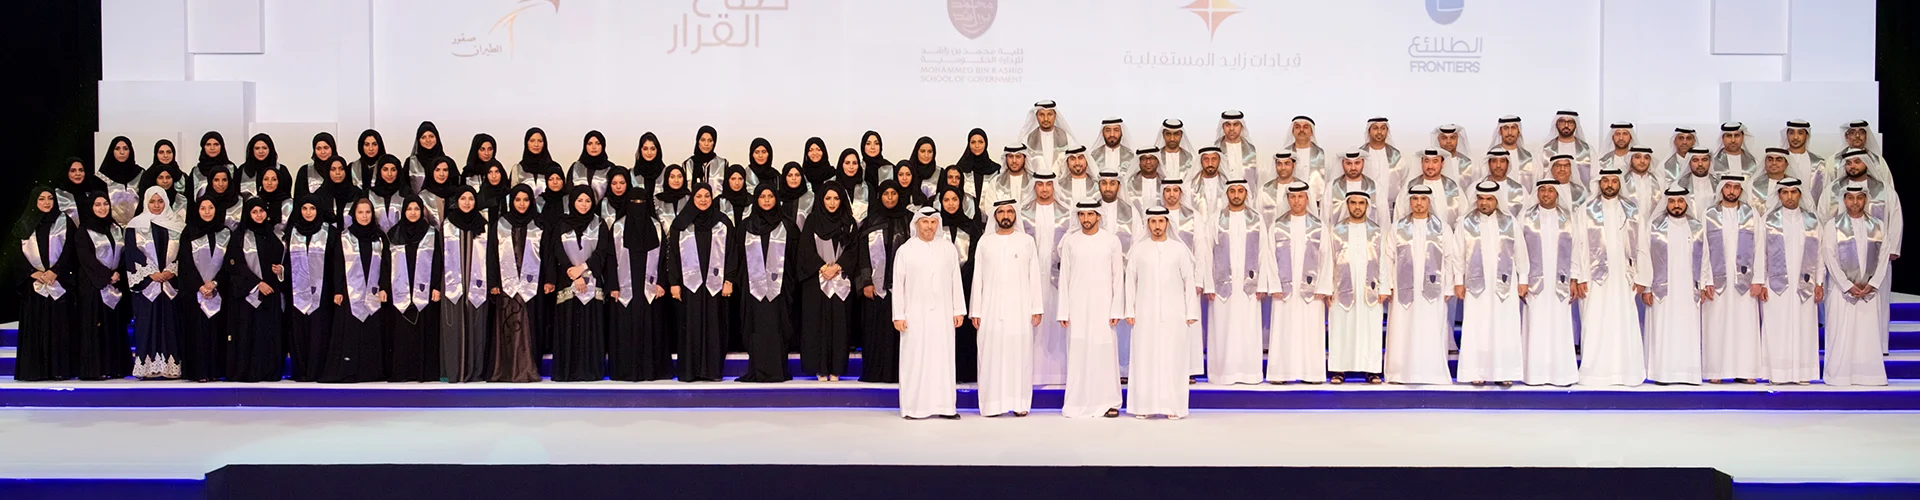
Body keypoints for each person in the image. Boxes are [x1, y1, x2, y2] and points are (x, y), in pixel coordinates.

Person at [1820, 149, 1903, 354]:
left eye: (1857, 162)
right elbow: (1822, 217)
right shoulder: (1832, 189)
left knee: (1876, 304)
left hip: (1875, 259)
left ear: (1866, 163)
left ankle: (1877, 348)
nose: (1852, 166)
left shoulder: (1884, 189)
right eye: (1849, 163)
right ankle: (1842, 351)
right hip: (1840, 260)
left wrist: (1893, 248)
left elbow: (1895, 217)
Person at [892, 207, 968, 419]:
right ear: (917, 224)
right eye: (925, 222)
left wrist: (958, 310)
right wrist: (898, 315)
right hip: (914, 316)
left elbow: (955, 281)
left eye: (933, 222)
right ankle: (914, 408)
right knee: (915, 359)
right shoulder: (905, 250)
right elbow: (898, 285)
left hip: (943, 315)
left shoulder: (948, 249)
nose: (929, 226)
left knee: (943, 359)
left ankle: (945, 407)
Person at [970, 199, 1043, 416]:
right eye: (1001, 212)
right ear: (995, 216)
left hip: (1020, 309)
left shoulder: (1026, 241)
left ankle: (1020, 404)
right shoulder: (985, 242)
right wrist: (976, 310)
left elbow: (1034, 276)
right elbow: (978, 278)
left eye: (1010, 211)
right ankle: (992, 405)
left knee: (1019, 355)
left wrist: (1036, 308)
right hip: (990, 309)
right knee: (991, 356)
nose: (1005, 215)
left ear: (1015, 215)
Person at [1126, 206, 1201, 419]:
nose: (1157, 226)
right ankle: (1144, 407)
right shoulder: (1138, 250)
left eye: (1161, 221)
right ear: (1148, 224)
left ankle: (1173, 406)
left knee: (1173, 359)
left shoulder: (1179, 250)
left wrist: (1191, 312)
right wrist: (1129, 310)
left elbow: (1189, 281)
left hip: (1174, 314)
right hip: (1144, 314)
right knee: (1144, 359)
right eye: (1153, 221)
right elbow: (1130, 282)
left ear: (1167, 223)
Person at [1576, 168, 1647, 386]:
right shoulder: (1585, 210)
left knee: (1624, 322)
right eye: (1605, 180)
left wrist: (1642, 277)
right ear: (1599, 183)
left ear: (1619, 183)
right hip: (1593, 279)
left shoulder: (1631, 210)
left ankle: (1625, 372)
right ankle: (1595, 373)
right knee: (1595, 322)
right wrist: (1579, 276)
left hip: (1625, 278)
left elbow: (1642, 244)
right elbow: (1578, 245)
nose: (1609, 185)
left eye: (1613, 181)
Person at [1056, 201, 1127, 418]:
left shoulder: (1111, 241)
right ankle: (1077, 401)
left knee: (1105, 353)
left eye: (1090, 214)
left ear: (1098, 216)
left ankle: (1109, 402)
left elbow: (1118, 277)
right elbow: (1064, 277)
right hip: (1077, 308)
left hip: (1104, 308)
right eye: (1082, 215)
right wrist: (1063, 310)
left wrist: (1116, 309)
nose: (1086, 219)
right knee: (1079, 353)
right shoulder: (1070, 242)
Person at [1454, 182, 1525, 387]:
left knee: (1505, 326)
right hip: (1475, 286)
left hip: (1505, 285)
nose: (1484, 203)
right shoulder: (1465, 222)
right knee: (1477, 326)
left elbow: (1520, 252)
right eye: (1481, 199)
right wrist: (1458, 281)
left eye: (1489, 199)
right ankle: (1476, 371)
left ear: (1497, 200)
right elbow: (1458, 255)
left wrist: (1524, 279)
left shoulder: (1510, 222)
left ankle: (1504, 371)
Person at [1383, 185, 1455, 385]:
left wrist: (1449, 286)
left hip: (1434, 290)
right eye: (1415, 199)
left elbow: (1450, 258)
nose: (1419, 203)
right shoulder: (1397, 227)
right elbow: (1388, 257)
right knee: (1402, 329)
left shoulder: (1443, 228)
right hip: (1403, 290)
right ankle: (1400, 373)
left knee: (1431, 328)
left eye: (1423, 199)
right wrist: (1388, 284)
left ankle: (1432, 373)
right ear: (1410, 202)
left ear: (1429, 202)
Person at [1821, 185, 1890, 386]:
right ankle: (1839, 376)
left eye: (1859, 197)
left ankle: (1869, 375)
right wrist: (1846, 285)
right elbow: (1829, 256)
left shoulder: (1878, 225)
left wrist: (1873, 284)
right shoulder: (1832, 225)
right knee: (1841, 333)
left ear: (1865, 199)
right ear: (1844, 200)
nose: (1855, 202)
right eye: (1850, 198)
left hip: (1869, 291)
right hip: (1841, 291)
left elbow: (1884, 257)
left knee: (1867, 335)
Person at [605, 172, 671, 382]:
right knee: (626, 328)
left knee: (651, 328)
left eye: (642, 203)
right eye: (633, 203)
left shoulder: (656, 227)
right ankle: (626, 371)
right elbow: (610, 258)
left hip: (650, 289)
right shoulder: (618, 227)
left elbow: (664, 258)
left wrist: (662, 282)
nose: (638, 207)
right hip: (625, 288)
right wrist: (613, 286)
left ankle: (651, 370)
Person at [667, 184, 735, 382]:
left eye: (707, 196)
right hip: (689, 286)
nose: (703, 200)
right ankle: (690, 371)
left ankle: (712, 371)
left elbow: (732, 252)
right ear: (692, 198)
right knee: (691, 325)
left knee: (714, 326)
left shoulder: (723, 222)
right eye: (699, 196)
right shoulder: (680, 224)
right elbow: (673, 256)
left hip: (716, 286)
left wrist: (729, 279)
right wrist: (674, 282)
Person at [1759, 178, 1822, 385]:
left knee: (1804, 327)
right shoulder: (1768, 220)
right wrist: (1761, 282)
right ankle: (1777, 373)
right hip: (1776, 284)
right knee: (1777, 326)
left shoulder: (1812, 220)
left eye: (1793, 192)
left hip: (1805, 284)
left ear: (1800, 194)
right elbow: (1761, 253)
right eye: (1785, 192)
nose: (1789, 196)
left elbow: (1820, 254)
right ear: (1779, 195)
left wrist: (1820, 283)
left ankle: (1803, 373)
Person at [1701, 174, 1764, 384]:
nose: (1732, 191)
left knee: (1745, 325)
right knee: (1716, 324)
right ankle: (1716, 371)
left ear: (1741, 190)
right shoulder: (1709, 214)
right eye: (1728, 187)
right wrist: (1706, 279)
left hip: (1744, 281)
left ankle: (1746, 370)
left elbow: (1760, 247)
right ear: (1721, 189)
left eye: (1736, 187)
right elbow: (1702, 250)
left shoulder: (1751, 214)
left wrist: (1758, 279)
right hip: (1716, 281)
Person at [1643, 186, 1708, 385]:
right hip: (1662, 290)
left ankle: (1688, 374)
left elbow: (1705, 257)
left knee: (1687, 330)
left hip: (1689, 289)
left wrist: (1704, 284)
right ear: (1666, 203)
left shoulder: (1696, 226)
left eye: (1680, 201)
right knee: (1663, 330)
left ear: (1686, 203)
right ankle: (1663, 374)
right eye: (1672, 201)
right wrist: (1647, 287)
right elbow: (1645, 257)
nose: (1676, 205)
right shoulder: (1654, 226)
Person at [1264, 181, 1328, 384]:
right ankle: (1281, 374)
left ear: (1307, 198)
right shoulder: (1277, 225)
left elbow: (1326, 258)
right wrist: (1274, 285)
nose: (1296, 201)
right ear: (1288, 199)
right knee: (1284, 330)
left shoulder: (1319, 226)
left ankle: (1312, 374)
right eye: (1292, 197)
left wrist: (1323, 286)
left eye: (1300, 197)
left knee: (1310, 331)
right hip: (1284, 291)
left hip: (1312, 291)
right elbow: (1269, 257)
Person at [1519, 180, 1580, 386]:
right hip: (1534, 283)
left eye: (1551, 190)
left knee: (1559, 325)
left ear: (1557, 193)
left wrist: (1574, 278)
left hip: (1560, 282)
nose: (1546, 194)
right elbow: (1519, 251)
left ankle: (1561, 375)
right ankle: (1534, 375)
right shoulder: (1525, 217)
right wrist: (1522, 280)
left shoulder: (1568, 218)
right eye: (1543, 190)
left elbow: (1576, 250)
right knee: (1535, 325)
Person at [1204, 179, 1264, 385]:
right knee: (1223, 330)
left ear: (1246, 193)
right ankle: (1223, 373)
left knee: (1248, 329)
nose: (1236, 195)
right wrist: (1208, 284)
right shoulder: (1215, 219)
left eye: (1240, 191)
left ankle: (1249, 373)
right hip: (1222, 287)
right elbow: (1207, 253)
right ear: (1227, 193)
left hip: (1249, 287)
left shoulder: (1257, 219)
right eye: (1232, 191)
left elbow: (1264, 252)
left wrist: (1263, 284)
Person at [798, 181, 859, 381]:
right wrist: (822, 267)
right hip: (816, 282)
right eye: (828, 198)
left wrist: (838, 266)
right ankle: (820, 368)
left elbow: (854, 250)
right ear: (821, 200)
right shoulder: (813, 221)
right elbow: (805, 249)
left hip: (841, 281)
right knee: (817, 325)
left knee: (839, 325)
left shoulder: (849, 222)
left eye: (836, 198)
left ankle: (836, 368)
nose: (832, 203)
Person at [13, 187, 75, 381]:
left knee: (59, 328)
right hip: (34, 286)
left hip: (58, 282)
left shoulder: (64, 221)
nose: (47, 202)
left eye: (50, 198)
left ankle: (59, 370)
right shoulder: (24, 223)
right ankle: (35, 371)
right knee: (36, 328)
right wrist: (33, 273)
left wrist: (56, 271)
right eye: (42, 199)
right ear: (34, 201)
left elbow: (70, 248)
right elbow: (15, 254)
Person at [737, 185, 798, 383]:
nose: (766, 200)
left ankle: (778, 370)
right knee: (755, 326)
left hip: (780, 288)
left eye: (770, 196)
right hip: (752, 288)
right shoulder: (745, 226)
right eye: (762, 196)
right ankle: (757, 370)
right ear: (756, 199)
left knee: (778, 326)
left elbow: (794, 256)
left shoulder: (788, 226)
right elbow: (738, 257)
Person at [855, 183, 914, 383]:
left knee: (900, 331)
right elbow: (862, 254)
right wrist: (866, 281)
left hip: (903, 288)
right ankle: (876, 372)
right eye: (886, 194)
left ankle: (899, 374)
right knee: (876, 331)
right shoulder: (871, 220)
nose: (890, 197)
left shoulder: (909, 219)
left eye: (894, 193)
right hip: (875, 288)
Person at [549, 186, 609, 382]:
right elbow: (557, 251)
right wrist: (573, 274)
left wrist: (583, 269)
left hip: (592, 283)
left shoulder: (599, 224)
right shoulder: (561, 224)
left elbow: (602, 251)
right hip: (568, 283)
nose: (584, 205)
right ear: (572, 202)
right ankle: (568, 371)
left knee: (590, 327)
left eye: (588, 201)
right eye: (580, 200)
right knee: (569, 326)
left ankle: (590, 371)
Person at [126, 186, 186, 380]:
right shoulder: (135, 225)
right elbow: (131, 252)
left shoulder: (177, 225)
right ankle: (148, 367)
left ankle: (171, 367)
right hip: (147, 286)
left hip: (170, 284)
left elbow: (185, 253)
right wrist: (150, 272)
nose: (157, 205)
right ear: (146, 202)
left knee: (170, 325)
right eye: (152, 201)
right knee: (147, 324)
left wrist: (172, 270)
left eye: (160, 201)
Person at [1328, 191, 1387, 384]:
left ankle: (1372, 370)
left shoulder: (1377, 231)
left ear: (1367, 206)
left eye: (1361, 203)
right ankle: (1339, 369)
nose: (1357, 207)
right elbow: (1329, 260)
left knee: (1370, 329)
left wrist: (1384, 287)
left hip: (1370, 288)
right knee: (1341, 327)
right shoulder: (1336, 230)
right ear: (1347, 205)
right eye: (1353, 203)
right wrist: (1328, 288)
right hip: (1342, 287)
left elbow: (1384, 260)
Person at [225, 198, 285, 382]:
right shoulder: (239, 236)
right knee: (248, 332)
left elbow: (281, 260)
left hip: (270, 294)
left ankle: (268, 370)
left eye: (261, 211)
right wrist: (257, 284)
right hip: (248, 295)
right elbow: (235, 264)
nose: (259, 215)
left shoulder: (272, 234)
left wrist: (281, 270)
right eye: (254, 212)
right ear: (248, 214)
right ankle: (248, 371)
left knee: (267, 332)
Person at [69, 192, 128, 380]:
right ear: (90, 207)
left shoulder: (116, 228)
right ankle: (95, 369)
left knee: (113, 326)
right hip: (93, 287)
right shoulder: (83, 231)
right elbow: (86, 260)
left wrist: (117, 273)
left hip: (115, 284)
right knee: (95, 327)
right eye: (97, 204)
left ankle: (115, 367)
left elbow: (124, 254)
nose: (102, 208)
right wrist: (107, 276)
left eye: (105, 204)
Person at [488, 186, 543, 383]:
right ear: (512, 201)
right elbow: (491, 254)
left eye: (526, 200)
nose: (522, 204)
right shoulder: (501, 224)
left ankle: (528, 368)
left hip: (532, 285)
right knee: (507, 325)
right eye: (518, 200)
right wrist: (493, 281)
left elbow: (545, 254)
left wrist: (548, 280)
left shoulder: (539, 223)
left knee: (529, 324)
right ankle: (505, 370)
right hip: (506, 285)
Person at [438, 186, 492, 383]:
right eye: (463, 198)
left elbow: (491, 257)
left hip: (478, 285)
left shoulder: (484, 225)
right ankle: (454, 371)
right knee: (453, 324)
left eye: (471, 198)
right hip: (452, 284)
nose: (467, 202)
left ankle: (475, 370)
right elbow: (439, 256)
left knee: (476, 325)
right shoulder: (447, 225)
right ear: (457, 201)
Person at [176, 195, 233, 382]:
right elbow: (185, 262)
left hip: (219, 291)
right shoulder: (189, 232)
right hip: (194, 293)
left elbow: (231, 262)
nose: (207, 212)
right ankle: (198, 371)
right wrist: (199, 286)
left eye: (211, 208)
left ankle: (216, 371)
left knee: (217, 331)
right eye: (203, 208)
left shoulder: (226, 232)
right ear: (197, 210)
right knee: (197, 332)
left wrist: (215, 283)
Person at [384, 196, 438, 382]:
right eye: (409, 209)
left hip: (425, 293)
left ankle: (423, 371)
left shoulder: (431, 233)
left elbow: (438, 261)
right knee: (402, 333)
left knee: (423, 331)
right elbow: (385, 263)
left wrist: (437, 286)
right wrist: (384, 287)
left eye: (416, 209)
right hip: (400, 292)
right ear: (403, 211)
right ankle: (402, 371)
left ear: (422, 211)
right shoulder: (393, 234)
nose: (413, 213)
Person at [935, 186, 985, 382]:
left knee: (964, 332)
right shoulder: (935, 227)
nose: (950, 204)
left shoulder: (971, 227)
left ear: (961, 202)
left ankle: (965, 372)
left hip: (966, 287)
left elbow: (974, 258)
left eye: (954, 199)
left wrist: (960, 278)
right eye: (946, 200)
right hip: (940, 288)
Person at [283, 195, 335, 382]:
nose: (308, 212)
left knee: (320, 331)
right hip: (296, 291)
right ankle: (301, 370)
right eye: (304, 208)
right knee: (299, 331)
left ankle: (318, 370)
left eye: (312, 208)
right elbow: (286, 262)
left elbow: (335, 262)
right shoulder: (292, 231)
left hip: (323, 291)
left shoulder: (329, 231)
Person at [1359, 117, 1411, 197]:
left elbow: (1405, 182)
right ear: (1369, 131)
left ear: (1387, 131)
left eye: (1383, 128)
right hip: (1365, 203)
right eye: (1375, 128)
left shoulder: (1397, 156)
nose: (1379, 132)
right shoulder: (1360, 155)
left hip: (1392, 204)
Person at [100, 136, 145, 224]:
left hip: (138, 225)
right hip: (110, 226)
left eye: (125, 149)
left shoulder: (140, 174)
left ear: (130, 151)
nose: (122, 152)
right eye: (117, 149)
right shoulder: (102, 176)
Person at [1021, 100, 1076, 168]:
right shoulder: (1027, 139)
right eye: (1041, 115)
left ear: (1055, 116)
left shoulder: (1066, 137)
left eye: (1049, 114)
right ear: (1036, 116)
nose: (1046, 119)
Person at [237, 133, 290, 200]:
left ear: (270, 149)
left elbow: (286, 196)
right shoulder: (243, 170)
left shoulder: (281, 170)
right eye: (257, 148)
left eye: (264, 148)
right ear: (252, 150)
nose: (261, 151)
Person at [1487, 116, 1538, 186]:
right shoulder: (1489, 157)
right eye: (1506, 128)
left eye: (1513, 128)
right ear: (1500, 131)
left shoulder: (1530, 158)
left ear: (1519, 131)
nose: (1510, 133)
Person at [367, 155, 411, 230]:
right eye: (385, 170)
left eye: (393, 170)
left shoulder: (407, 193)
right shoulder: (368, 194)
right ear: (379, 171)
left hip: (401, 236)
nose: (389, 174)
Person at [982, 144, 1033, 208]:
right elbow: (989, 207)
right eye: (1010, 156)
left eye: (1018, 157)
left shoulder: (1034, 182)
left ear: (1025, 158)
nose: (1014, 161)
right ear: (1005, 159)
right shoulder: (996, 182)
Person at [1214, 110, 1259, 180]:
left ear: (1242, 126)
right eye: (1227, 125)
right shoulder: (1215, 148)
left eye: (1235, 124)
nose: (1231, 129)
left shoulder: (1252, 150)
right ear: (1223, 127)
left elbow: (1258, 177)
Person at [684, 126, 730, 191]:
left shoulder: (722, 164)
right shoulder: (687, 164)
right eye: (703, 140)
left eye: (710, 140)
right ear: (698, 141)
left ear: (714, 142)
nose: (706, 144)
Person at [190, 132, 234, 199]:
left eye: (216, 144)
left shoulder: (231, 168)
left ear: (221, 146)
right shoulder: (196, 171)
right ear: (203, 147)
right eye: (208, 145)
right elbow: (190, 197)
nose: (212, 148)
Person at [405, 121, 448, 192]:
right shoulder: (411, 162)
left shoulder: (447, 162)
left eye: (431, 136)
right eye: (423, 137)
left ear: (437, 138)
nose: (428, 140)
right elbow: (404, 187)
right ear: (419, 140)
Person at [1286, 116, 1330, 183]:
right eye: (1297, 127)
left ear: (1312, 132)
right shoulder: (1285, 153)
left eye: (1305, 127)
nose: (1301, 130)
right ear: (1292, 131)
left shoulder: (1322, 154)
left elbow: (1328, 181)